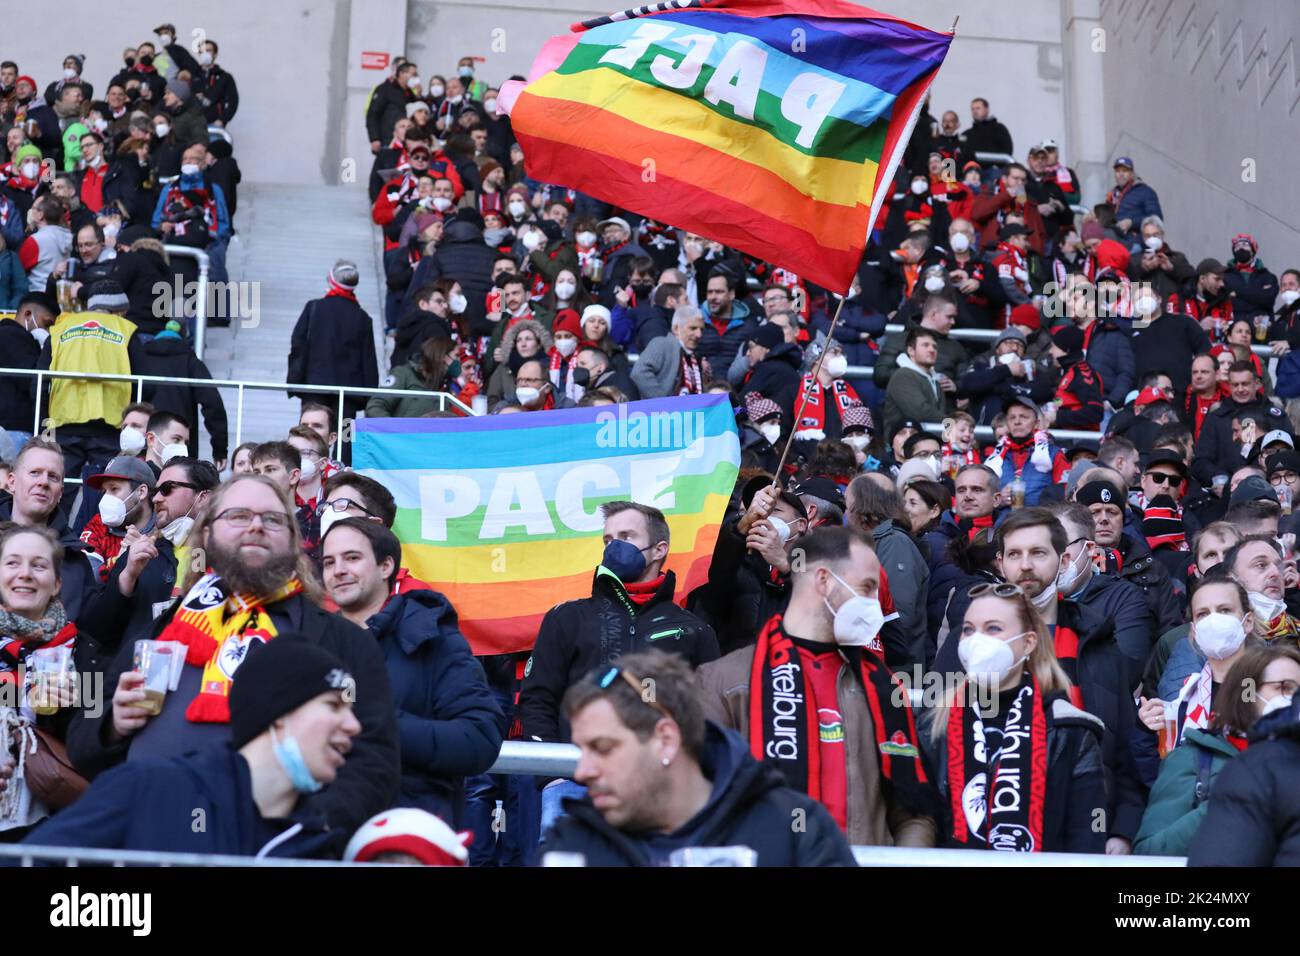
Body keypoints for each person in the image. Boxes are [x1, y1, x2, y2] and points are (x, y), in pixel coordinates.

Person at [64, 474, 400, 845]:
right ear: (206, 534)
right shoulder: (163, 624)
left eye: (273, 519)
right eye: (238, 515)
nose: (256, 525)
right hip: (152, 838)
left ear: (292, 539)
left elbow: (375, 762)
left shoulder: (343, 642)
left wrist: (303, 830)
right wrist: (112, 723)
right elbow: (83, 729)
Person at [696, 526, 937, 846]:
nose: (874, 606)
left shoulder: (882, 686)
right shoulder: (725, 681)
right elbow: (696, 805)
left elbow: (915, 811)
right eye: (867, 588)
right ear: (823, 580)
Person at [24, 639, 362, 859]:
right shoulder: (151, 788)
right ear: (278, 713)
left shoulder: (318, 849)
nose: (354, 726)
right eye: (334, 705)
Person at [933, 508, 1146, 851]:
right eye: (1015, 554)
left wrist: (1121, 831)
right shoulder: (967, 643)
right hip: (976, 835)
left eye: (1038, 553)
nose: (1026, 565)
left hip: (1081, 832)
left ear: (1063, 560)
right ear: (1000, 563)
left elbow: (1125, 754)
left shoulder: (1098, 644)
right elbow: (936, 738)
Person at [538, 649, 857, 866]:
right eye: (582, 751)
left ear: (665, 739)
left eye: (603, 748)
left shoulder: (793, 829)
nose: (582, 772)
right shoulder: (570, 846)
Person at [321, 518, 501, 824]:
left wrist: (381, 726)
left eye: (352, 558)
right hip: (323, 837)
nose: (338, 570)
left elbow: (480, 737)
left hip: (408, 837)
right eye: (328, 562)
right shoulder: (309, 644)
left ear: (386, 566)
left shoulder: (431, 639)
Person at [920, 582, 1107, 852]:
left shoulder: (1072, 730)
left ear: (1029, 642)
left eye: (993, 628)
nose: (976, 640)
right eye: (969, 630)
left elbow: (1088, 836)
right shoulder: (934, 726)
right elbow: (923, 822)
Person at [0, 525, 81, 834]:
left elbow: (94, 736)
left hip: (51, 823)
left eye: (38, 565)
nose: (25, 573)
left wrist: (72, 706)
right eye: (13, 562)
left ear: (57, 583)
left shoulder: (83, 650)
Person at [37, 279, 146, 482]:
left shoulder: (60, 328)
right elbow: (146, 382)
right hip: (110, 425)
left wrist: (44, 423)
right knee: (108, 490)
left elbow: (40, 382)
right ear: (119, 311)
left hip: (63, 422)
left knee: (57, 488)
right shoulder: (126, 329)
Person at [845, 475, 930, 669]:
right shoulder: (876, 542)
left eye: (847, 505)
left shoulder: (894, 543)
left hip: (895, 673)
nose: (845, 513)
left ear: (862, 506)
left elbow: (899, 618)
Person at [287, 260, 380, 424]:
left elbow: (298, 344)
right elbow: (368, 360)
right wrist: (368, 395)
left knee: (310, 433)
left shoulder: (314, 308)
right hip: (349, 393)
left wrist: (296, 379)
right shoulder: (363, 318)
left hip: (315, 387)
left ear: (331, 281)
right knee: (346, 439)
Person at [1192, 360, 1290, 486]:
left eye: (1245, 384)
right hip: (1226, 492)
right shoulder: (1216, 417)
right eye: (1235, 385)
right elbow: (1200, 462)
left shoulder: (1276, 416)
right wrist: (1225, 481)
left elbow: (1290, 455)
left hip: (1271, 489)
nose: (1240, 389)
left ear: (1257, 384)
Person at [77, 455, 155, 570]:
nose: (105, 498)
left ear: (141, 492)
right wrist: (123, 561)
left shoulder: (165, 530)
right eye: (104, 491)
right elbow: (88, 578)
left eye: (114, 489)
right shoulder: (97, 526)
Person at [882, 328, 951, 438]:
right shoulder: (903, 375)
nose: (932, 349)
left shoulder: (934, 379)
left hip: (927, 444)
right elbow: (921, 412)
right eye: (925, 345)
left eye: (935, 346)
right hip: (902, 447)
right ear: (911, 350)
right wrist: (952, 422)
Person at [630, 305, 709, 400]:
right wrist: (663, 403)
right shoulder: (662, 344)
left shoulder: (695, 356)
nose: (699, 334)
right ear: (676, 329)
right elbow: (639, 372)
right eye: (693, 328)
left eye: (702, 330)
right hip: (665, 413)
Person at [1106, 156, 1162, 240]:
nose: (1121, 174)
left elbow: (1156, 218)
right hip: (1113, 236)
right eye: (1118, 171)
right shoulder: (1113, 193)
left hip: (1135, 239)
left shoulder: (1145, 192)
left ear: (1132, 173)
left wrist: (1131, 223)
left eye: (1125, 171)